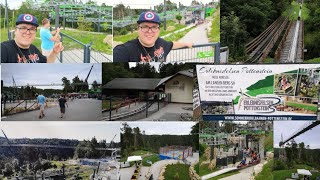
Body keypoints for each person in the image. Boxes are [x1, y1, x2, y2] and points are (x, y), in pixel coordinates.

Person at [113, 11, 193, 62]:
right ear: (138, 29)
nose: (150, 31)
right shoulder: (125, 51)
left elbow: (172, 44)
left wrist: (187, 44)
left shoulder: (161, 42)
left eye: (154, 27)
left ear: (158, 30)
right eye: (145, 26)